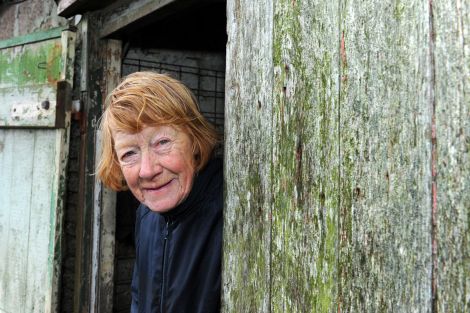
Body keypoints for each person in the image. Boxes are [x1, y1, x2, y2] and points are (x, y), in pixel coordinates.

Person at [97, 71, 222, 313]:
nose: (146, 170)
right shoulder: (146, 216)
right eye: (129, 153)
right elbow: (139, 300)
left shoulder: (232, 211)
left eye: (162, 143)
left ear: (195, 140)